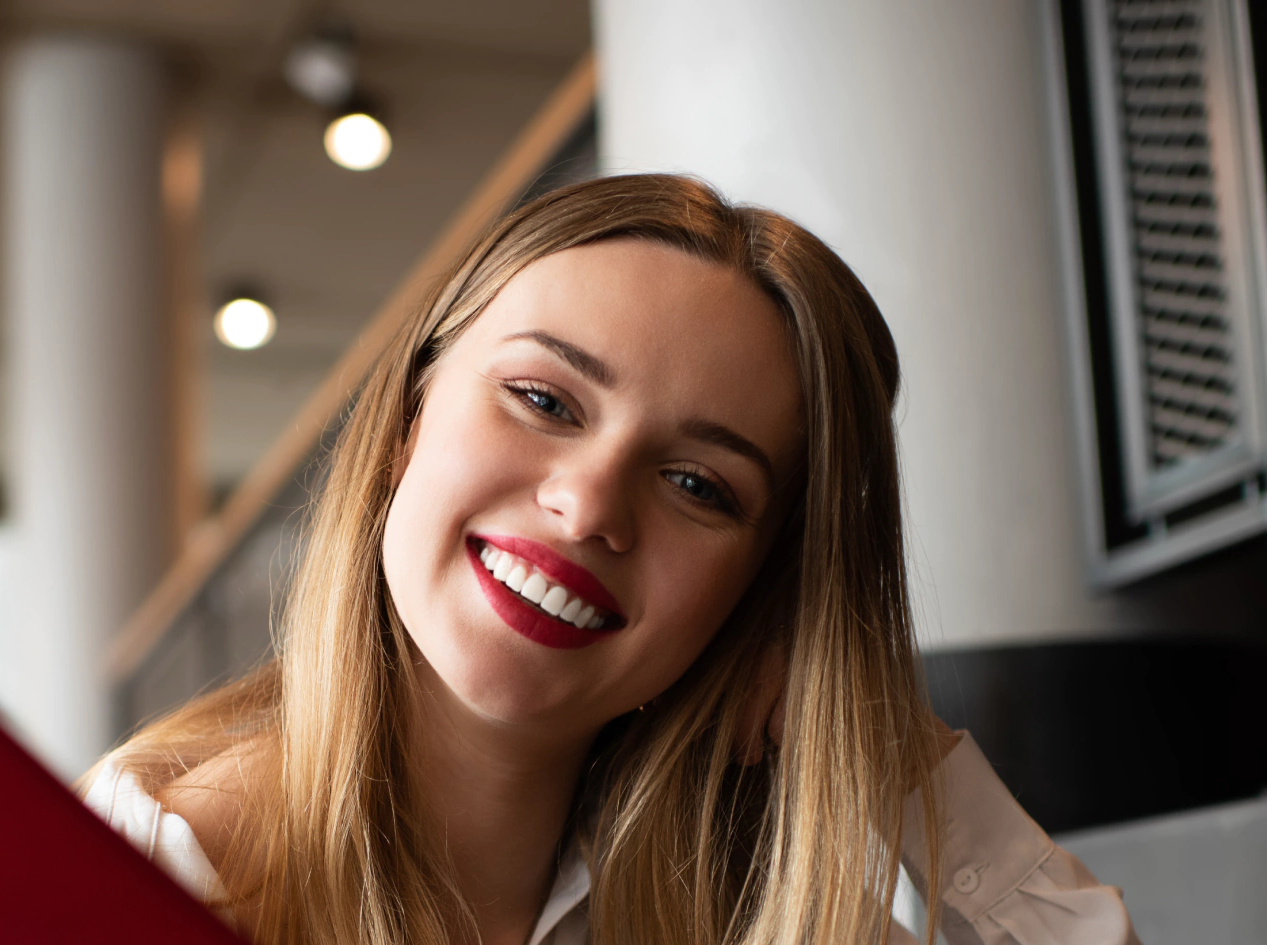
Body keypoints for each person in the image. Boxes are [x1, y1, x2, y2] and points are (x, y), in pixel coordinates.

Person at [83, 174, 1138, 945]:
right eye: (542, 401)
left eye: (699, 486)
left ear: (756, 596)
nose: (586, 506)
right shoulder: (144, 874)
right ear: (408, 422)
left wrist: (870, 735)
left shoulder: (753, 917)